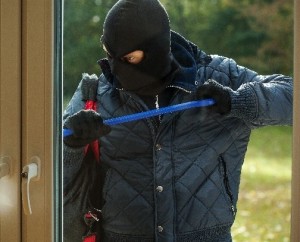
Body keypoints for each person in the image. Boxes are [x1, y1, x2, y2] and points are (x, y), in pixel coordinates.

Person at [63, 0, 293, 241]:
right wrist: (71, 145)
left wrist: (238, 102)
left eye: (129, 58)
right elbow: (49, 176)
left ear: (156, 48)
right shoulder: (94, 93)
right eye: (110, 55)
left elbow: (291, 97)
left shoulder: (221, 77)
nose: (116, 70)